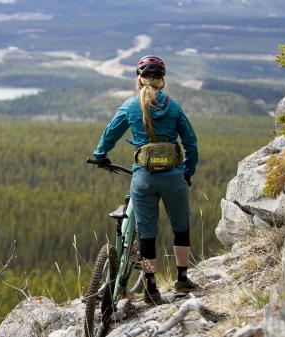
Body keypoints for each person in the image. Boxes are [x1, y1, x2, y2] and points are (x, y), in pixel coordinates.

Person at [92, 55, 199, 305]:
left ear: (139, 80)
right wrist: (187, 172)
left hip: (144, 179)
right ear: (162, 81)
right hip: (173, 178)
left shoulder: (130, 106)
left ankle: (151, 287)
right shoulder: (173, 106)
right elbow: (191, 143)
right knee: (180, 227)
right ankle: (182, 280)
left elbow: (110, 134)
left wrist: (100, 156)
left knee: (147, 233)